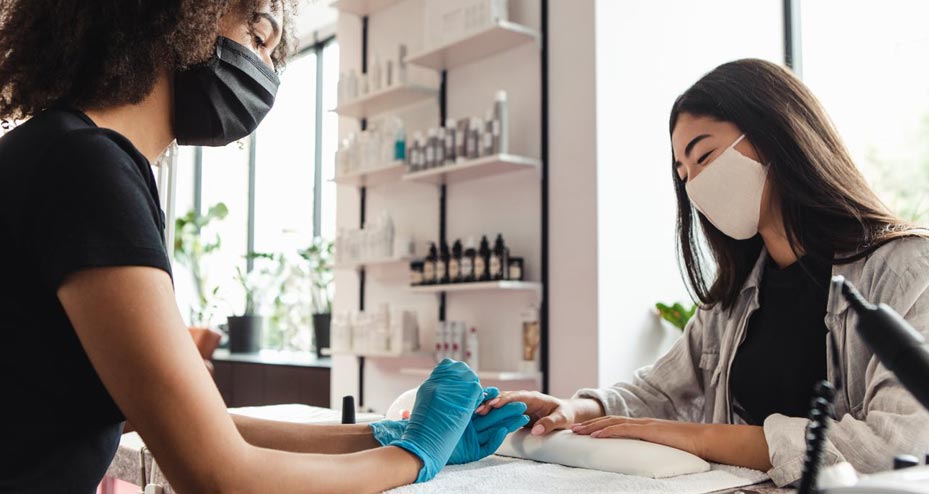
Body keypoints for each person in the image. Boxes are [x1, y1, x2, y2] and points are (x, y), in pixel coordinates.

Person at [0, 2, 527, 493]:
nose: (267, 73)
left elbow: (197, 426)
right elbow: (219, 474)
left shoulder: (58, 150)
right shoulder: (87, 169)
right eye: (258, 36)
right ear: (179, 13)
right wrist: (415, 455)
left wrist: (389, 433)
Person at [480, 58, 929, 487]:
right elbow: (660, 391)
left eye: (705, 156)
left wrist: (701, 437)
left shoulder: (907, 268)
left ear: (778, 135)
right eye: (683, 171)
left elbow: (899, 442)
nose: (694, 183)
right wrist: (573, 409)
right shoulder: (734, 298)